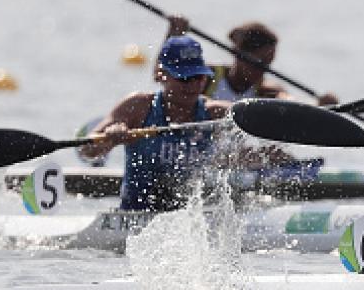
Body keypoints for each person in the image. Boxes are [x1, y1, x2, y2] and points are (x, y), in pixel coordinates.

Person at [83, 35, 290, 211]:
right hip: (134, 214)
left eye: (198, 78)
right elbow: (87, 151)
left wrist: (266, 155)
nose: (192, 85)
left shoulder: (214, 113)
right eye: (184, 78)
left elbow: (235, 150)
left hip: (187, 222)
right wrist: (112, 138)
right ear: (163, 75)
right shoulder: (138, 106)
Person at [160, 16, 338, 105]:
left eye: (268, 64)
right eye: (259, 63)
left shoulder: (267, 91)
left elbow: (290, 103)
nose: (264, 71)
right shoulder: (206, 77)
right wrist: (173, 36)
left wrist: (318, 106)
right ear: (238, 54)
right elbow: (162, 75)